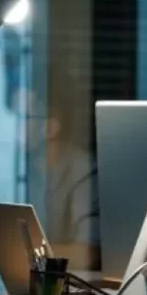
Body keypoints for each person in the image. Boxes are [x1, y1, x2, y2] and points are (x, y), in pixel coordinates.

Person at [27, 70, 100, 272]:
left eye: (26, 117)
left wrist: (25, 252)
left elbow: (88, 253)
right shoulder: (25, 170)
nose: (17, 125)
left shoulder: (85, 172)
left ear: (50, 127)